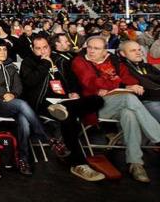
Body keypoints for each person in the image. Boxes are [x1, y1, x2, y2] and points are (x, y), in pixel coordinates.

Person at [72, 36, 160, 183]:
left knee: (130, 114)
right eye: (89, 47)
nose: (92, 51)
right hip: (95, 106)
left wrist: (112, 86)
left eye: (97, 48)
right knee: (129, 98)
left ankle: (136, 163)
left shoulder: (113, 61)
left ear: (105, 51)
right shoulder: (80, 61)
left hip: (119, 102)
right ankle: (158, 137)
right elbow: (91, 82)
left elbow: (132, 80)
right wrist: (120, 86)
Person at [20, 36, 105, 182]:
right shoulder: (28, 62)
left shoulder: (60, 60)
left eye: (45, 47)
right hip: (44, 103)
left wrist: (74, 91)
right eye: (38, 48)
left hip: (65, 101)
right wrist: (45, 64)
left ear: (50, 46)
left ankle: (66, 110)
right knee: (68, 119)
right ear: (33, 49)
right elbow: (29, 82)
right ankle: (78, 163)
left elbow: (73, 80)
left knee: (97, 100)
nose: (43, 51)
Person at [0, 38, 69, 176]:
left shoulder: (10, 64)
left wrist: (13, 94)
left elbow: (19, 86)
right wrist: (4, 94)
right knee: (22, 104)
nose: (3, 52)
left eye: (5, 49)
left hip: (14, 103)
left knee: (24, 122)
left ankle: (23, 160)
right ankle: (48, 138)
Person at [118, 40, 160, 122]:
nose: (138, 53)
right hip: (147, 101)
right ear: (123, 53)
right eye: (133, 50)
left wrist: (146, 76)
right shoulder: (122, 68)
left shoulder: (146, 66)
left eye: (139, 50)